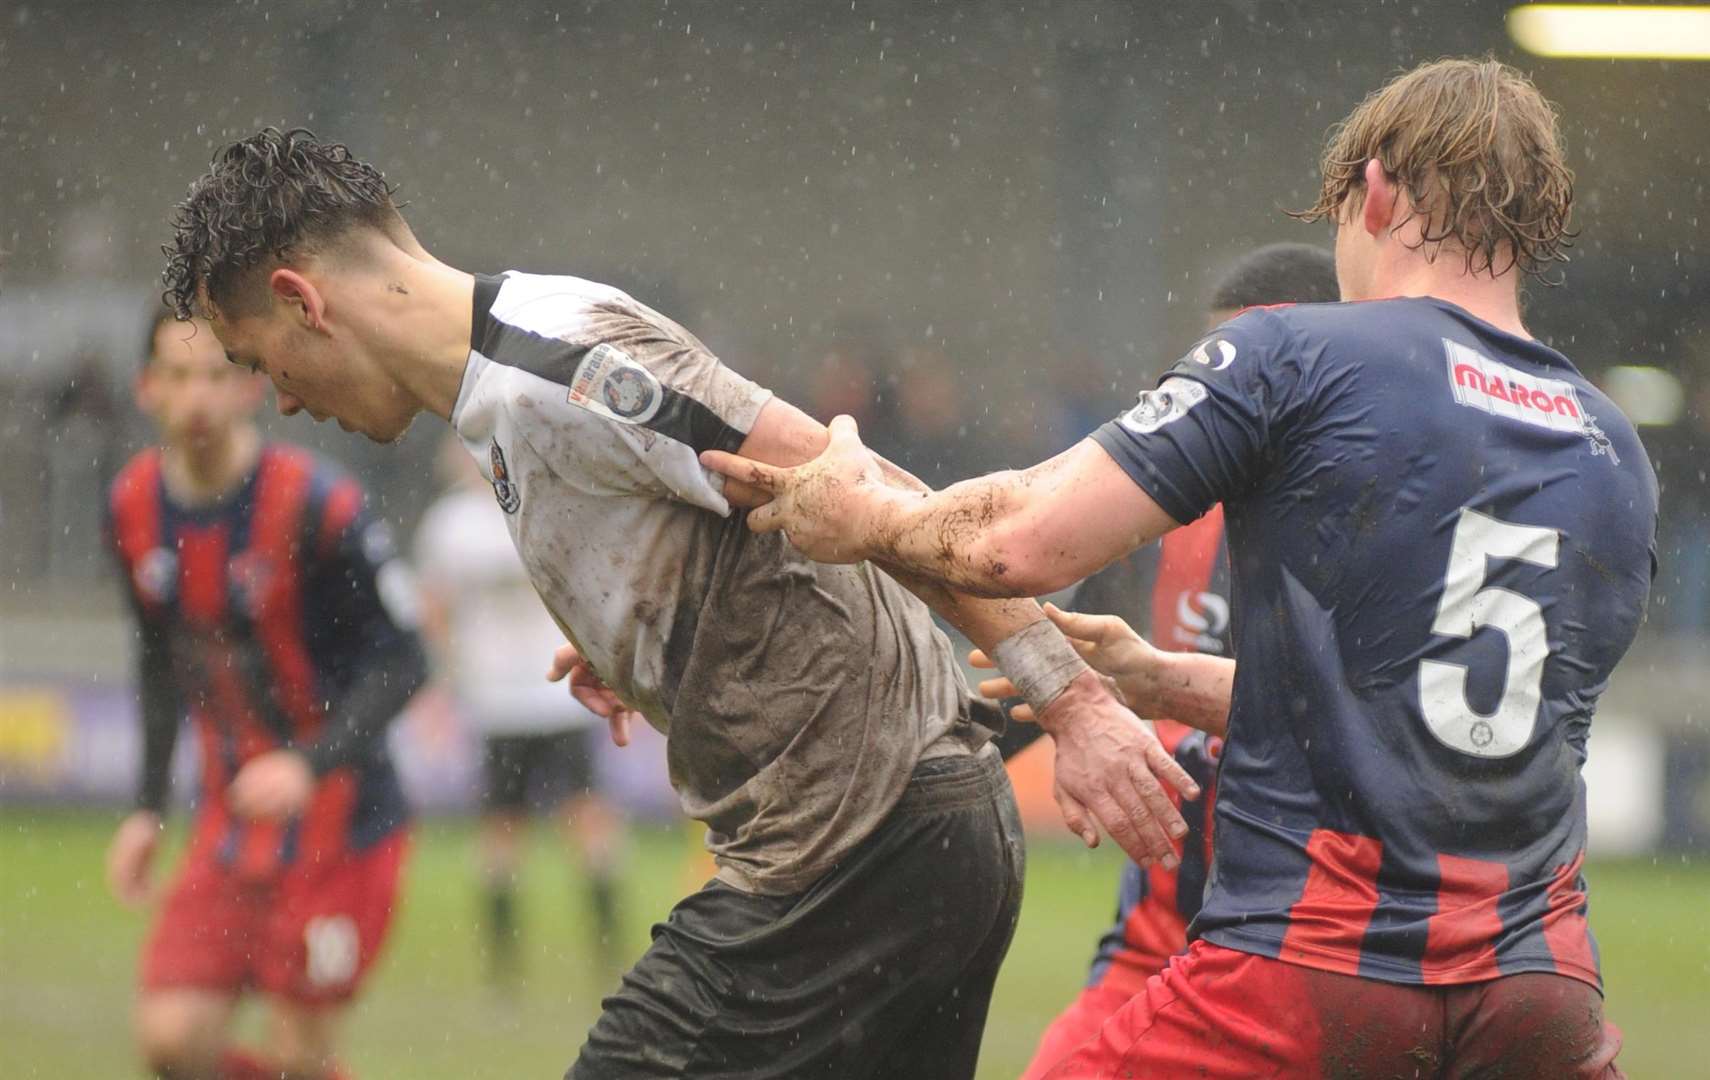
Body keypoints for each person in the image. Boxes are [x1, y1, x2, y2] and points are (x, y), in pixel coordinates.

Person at [159, 128, 1198, 1079]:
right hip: (908, 839)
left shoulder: (554, 366)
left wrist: (1073, 702)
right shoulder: (503, 387)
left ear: (303, 300)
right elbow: (743, 525)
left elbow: (864, 492)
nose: (283, 397)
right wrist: (646, 641)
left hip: (853, 845)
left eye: (258, 362)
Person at [703, 58, 1656, 1077]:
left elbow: (1015, 540)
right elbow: (1440, 724)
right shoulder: (1613, 448)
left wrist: (869, 516)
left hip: (1314, 971)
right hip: (1540, 994)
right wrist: (1165, 681)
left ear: (1374, 192)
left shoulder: (1297, 353)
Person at [1001, 242, 1341, 1079]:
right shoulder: (1166, 504)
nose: (1222, 400)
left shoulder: (1368, 523)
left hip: (1311, 931)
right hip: (1163, 918)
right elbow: (1057, 655)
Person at [104, 306, 429, 1080]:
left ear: (252, 387)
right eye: (178, 377)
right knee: (173, 1040)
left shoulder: (320, 505)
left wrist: (309, 764)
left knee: (298, 1053)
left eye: (217, 376)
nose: (197, 400)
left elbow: (405, 661)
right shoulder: (131, 505)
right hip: (230, 818)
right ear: (146, 388)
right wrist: (149, 808)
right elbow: (157, 660)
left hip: (342, 821)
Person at [414, 435, 626, 988]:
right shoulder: (451, 524)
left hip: (556, 698)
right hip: (496, 703)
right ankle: (509, 971)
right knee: (503, 832)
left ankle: (604, 955)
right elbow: (435, 609)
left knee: (585, 823)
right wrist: (444, 684)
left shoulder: (546, 505)